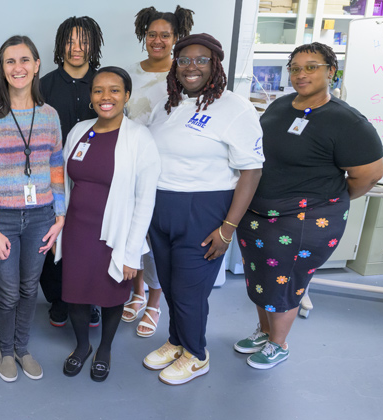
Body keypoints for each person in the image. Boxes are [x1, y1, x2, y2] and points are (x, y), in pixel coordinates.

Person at [235, 42, 383, 369]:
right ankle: (263, 330)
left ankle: (278, 343)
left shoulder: (347, 122)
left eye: (311, 67)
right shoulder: (282, 105)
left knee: (286, 280)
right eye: (295, 67)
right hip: (258, 215)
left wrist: (325, 200)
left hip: (305, 219)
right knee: (260, 275)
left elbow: (368, 175)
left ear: (331, 71)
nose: (301, 74)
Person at [142, 34, 264, 385]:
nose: (191, 66)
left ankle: (196, 354)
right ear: (175, 66)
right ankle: (177, 340)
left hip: (204, 209)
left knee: (189, 289)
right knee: (168, 282)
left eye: (201, 60)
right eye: (184, 60)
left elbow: (251, 171)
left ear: (215, 65)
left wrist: (228, 228)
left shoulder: (234, 108)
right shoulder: (168, 103)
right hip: (162, 207)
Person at [0, 35, 66, 382]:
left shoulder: (50, 115)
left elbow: (57, 167)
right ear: (2, 68)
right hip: (2, 219)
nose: (18, 68)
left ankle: (23, 347)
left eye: (25, 60)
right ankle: (6, 350)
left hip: (41, 215)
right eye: (10, 62)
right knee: (8, 290)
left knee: (30, 288)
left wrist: (61, 216)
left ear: (37, 65)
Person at [56, 67, 160, 381]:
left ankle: (105, 348)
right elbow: (63, 181)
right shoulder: (79, 130)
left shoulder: (139, 138)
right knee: (74, 292)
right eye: (99, 90)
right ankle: (82, 346)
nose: (106, 97)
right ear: (91, 97)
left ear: (127, 95)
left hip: (115, 232)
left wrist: (131, 253)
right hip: (76, 230)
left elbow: (145, 200)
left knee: (113, 292)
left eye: (115, 90)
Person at [123, 5, 195, 338]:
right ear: (143, 36)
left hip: (167, 169)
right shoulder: (129, 73)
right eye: (152, 34)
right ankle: (137, 292)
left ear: (176, 38)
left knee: (159, 239)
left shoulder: (184, 75)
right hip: (131, 164)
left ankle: (154, 301)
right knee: (134, 235)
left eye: (165, 35)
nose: (158, 40)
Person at [38, 16, 104, 328]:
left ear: (93, 45)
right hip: (52, 177)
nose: (76, 48)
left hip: (95, 180)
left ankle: (89, 299)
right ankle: (58, 300)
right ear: (60, 44)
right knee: (54, 238)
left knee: (90, 242)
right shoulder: (44, 85)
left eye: (83, 41)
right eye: (70, 40)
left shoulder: (104, 83)